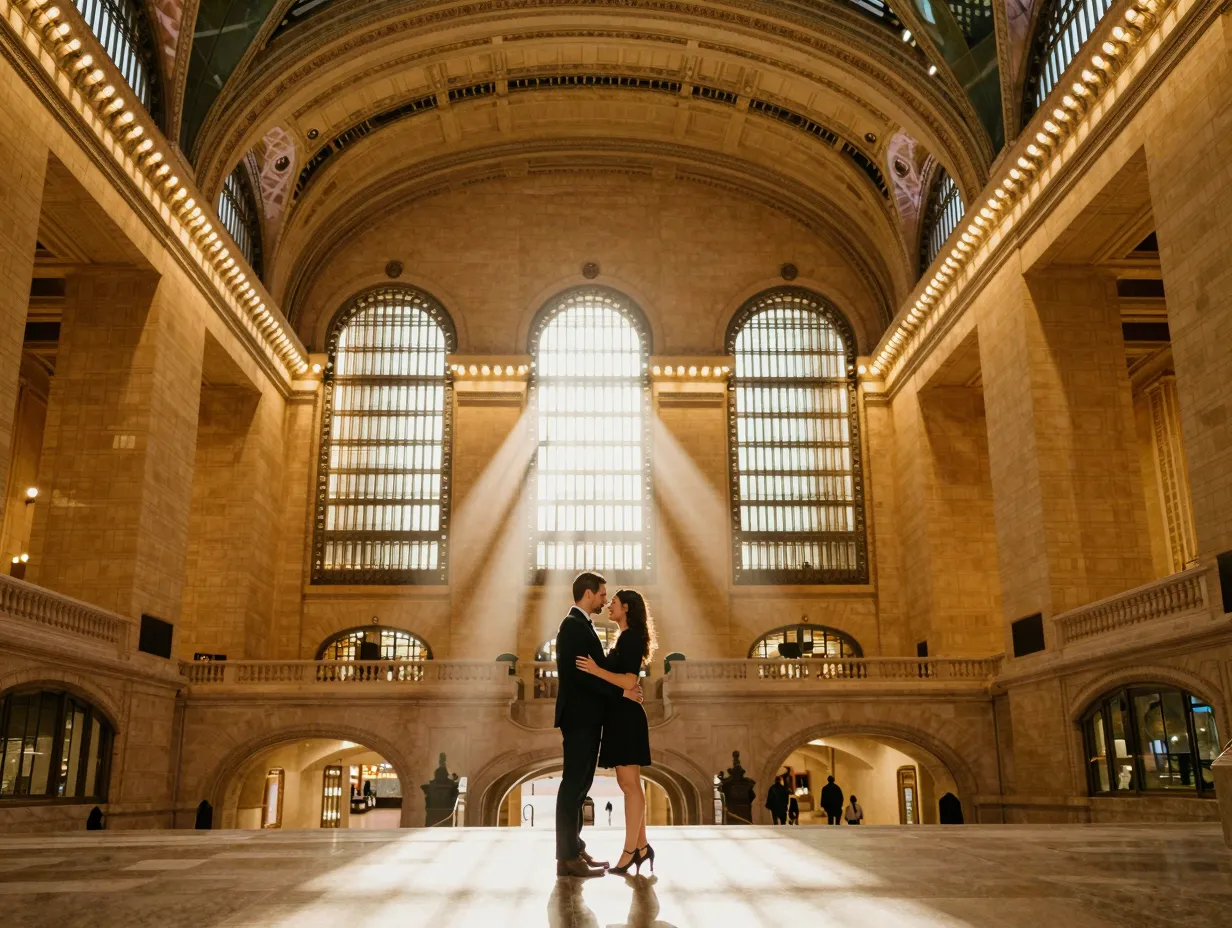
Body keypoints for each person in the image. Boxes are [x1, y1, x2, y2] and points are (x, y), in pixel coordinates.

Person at [554, 571, 642, 878]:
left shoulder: (583, 625)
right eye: (603, 594)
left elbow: (598, 669)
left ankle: (575, 848)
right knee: (572, 786)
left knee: (581, 787)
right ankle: (566, 858)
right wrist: (622, 690)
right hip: (579, 718)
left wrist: (623, 683)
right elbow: (581, 676)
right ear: (589, 593)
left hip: (588, 719)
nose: (606, 600)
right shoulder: (572, 626)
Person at [577, 588, 658, 876]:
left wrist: (596, 670)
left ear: (627, 608)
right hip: (621, 716)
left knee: (629, 785)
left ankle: (630, 852)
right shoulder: (625, 638)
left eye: (614, 602)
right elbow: (624, 685)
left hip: (627, 719)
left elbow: (628, 679)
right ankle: (643, 846)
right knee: (630, 784)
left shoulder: (632, 637)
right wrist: (620, 689)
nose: (609, 605)